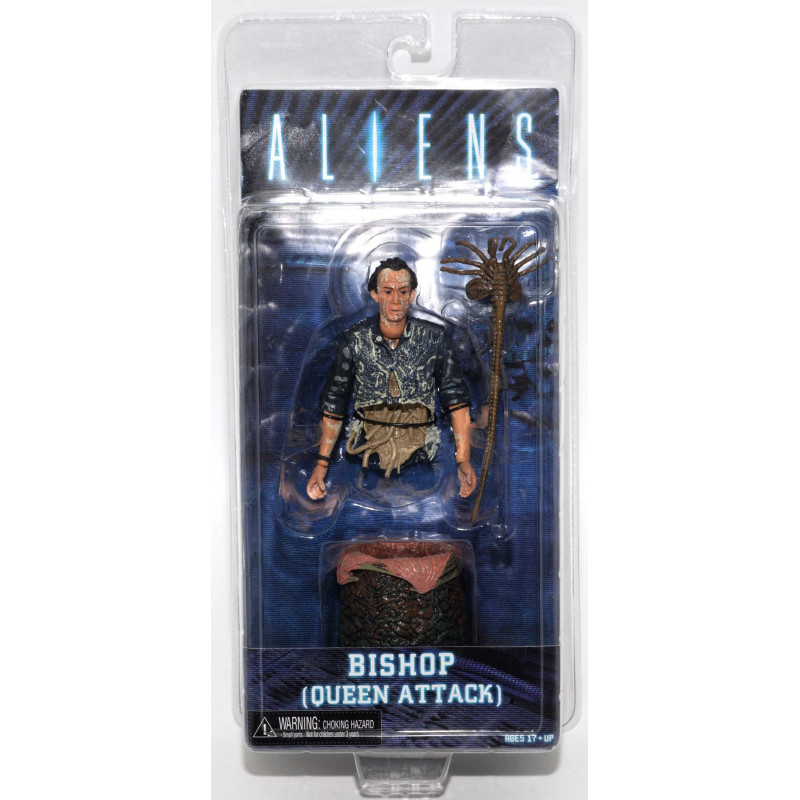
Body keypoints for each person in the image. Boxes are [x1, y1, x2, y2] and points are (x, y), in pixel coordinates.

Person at [306, 257, 477, 500]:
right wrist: (322, 464)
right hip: (366, 448)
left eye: (402, 291)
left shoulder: (434, 338)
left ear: (412, 295)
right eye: (388, 291)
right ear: (375, 294)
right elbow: (335, 401)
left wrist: (463, 460)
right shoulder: (354, 340)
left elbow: (456, 398)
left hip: (422, 452)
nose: (396, 300)